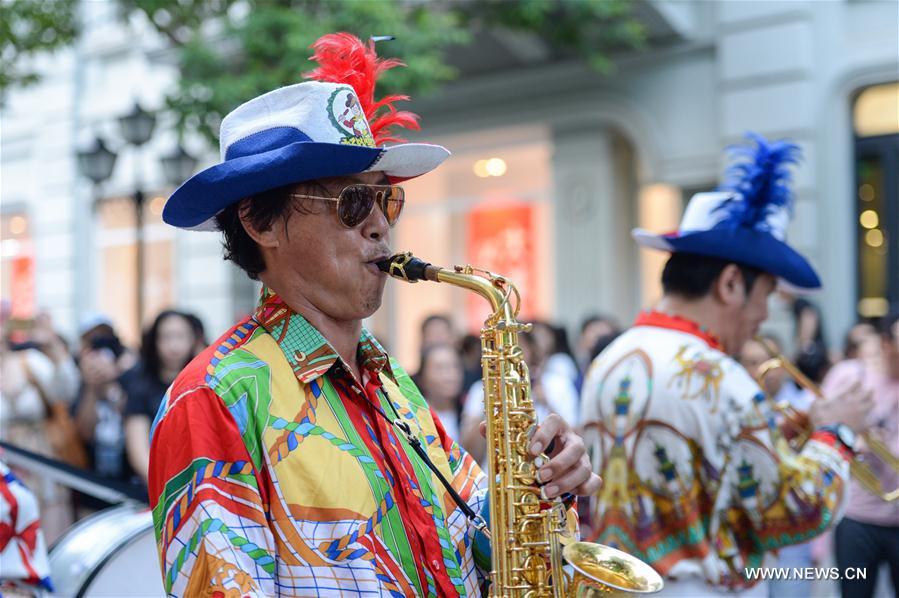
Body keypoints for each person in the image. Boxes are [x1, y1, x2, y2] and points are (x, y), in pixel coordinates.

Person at [149, 33, 599, 597]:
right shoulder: (212, 398)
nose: (381, 226)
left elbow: (478, 541)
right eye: (352, 203)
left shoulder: (391, 384)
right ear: (260, 223)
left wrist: (542, 485)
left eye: (386, 201)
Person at [581, 133, 872, 596]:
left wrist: (799, 425)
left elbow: (711, 466)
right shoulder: (721, 376)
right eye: (767, 296)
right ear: (731, 283)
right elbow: (794, 512)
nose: (762, 318)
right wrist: (836, 434)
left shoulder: (610, 358)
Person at [823, 312, 898, 598]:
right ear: (886, 344)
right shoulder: (851, 375)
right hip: (857, 515)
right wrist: (850, 438)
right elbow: (820, 425)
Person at [460, 331, 579, 466]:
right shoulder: (479, 390)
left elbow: (573, 439)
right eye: (500, 348)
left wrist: (546, 402)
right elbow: (469, 453)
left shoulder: (557, 385)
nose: (507, 355)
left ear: (531, 349)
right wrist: (490, 402)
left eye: (515, 347)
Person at [123, 310, 202, 484]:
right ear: (154, 341)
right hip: (156, 486)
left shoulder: (203, 383)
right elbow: (138, 450)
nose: (174, 345)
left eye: (180, 336)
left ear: (193, 339)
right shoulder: (140, 387)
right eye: (166, 337)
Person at [414, 344, 465, 442]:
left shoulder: (466, 412)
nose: (450, 375)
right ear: (422, 378)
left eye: (455, 367)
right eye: (440, 368)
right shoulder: (413, 416)